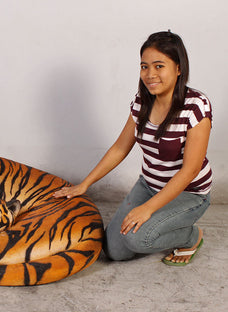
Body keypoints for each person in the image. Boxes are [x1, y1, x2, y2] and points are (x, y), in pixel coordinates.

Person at [53, 31, 212, 266]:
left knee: (139, 239)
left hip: (189, 193)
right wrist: (85, 184)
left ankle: (191, 236)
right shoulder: (142, 102)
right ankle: (158, 223)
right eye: (144, 66)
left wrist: (147, 209)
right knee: (114, 250)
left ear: (178, 69)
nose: (150, 74)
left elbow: (189, 171)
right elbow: (120, 148)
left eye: (159, 66)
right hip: (150, 186)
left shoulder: (196, 106)